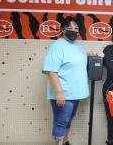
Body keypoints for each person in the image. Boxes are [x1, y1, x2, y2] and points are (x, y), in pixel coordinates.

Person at [42, 16, 89, 145]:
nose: (73, 30)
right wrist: (59, 93)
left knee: (68, 120)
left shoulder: (78, 46)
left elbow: (79, 59)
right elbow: (51, 71)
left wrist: (94, 54)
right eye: (70, 28)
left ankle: (66, 141)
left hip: (76, 93)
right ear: (63, 30)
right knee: (61, 121)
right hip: (64, 93)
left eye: (76, 28)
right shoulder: (57, 46)